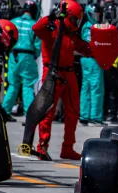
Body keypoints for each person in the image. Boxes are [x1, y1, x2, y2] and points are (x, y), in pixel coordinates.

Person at [32, 0, 92, 160]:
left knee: (73, 112)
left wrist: (101, 49)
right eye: (74, 20)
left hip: (69, 74)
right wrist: (51, 17)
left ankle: (67, 148)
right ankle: (42, 147)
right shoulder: (51, 28)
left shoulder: (72, 35)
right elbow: (36, 29)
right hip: (52, 73)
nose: (76, 23)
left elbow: (84, 48)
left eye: (78, 21)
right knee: (48, 112)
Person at [2, 0, 41, 122]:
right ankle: (29, 116)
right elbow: (38, 47)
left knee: (13, 85)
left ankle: (4, 112)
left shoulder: (13, 22)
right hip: (28, 56)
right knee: (28, 87)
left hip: (13, 56)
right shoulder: (35, 26)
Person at [79, 3, 105, 126]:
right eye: (95, 14)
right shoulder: (90, 27)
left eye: (98, 14)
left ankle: (84, 116)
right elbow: (93, 44)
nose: (97, 17)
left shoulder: (87, 26)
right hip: (93, 59)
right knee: (96, 89)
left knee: (86, 88)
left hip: (86, 60)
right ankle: (95, 118)